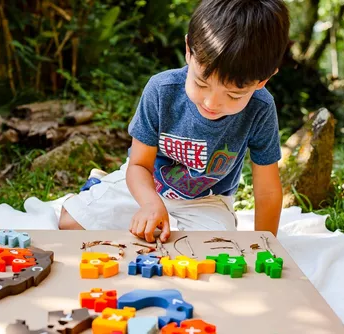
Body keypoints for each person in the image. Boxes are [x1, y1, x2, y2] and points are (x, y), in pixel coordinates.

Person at [59, 0, 290, 244]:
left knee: (218, 249)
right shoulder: (161, 90)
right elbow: (138, 165)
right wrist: (150, 203)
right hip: (148, 183)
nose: (211, 103)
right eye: (201, 84)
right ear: (189, 50)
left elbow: (267, 190)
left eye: (233, 95)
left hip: (206, 199)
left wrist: (266, 244)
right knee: (70, 224)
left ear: (263, 80)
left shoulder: (261, 108)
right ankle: (98, 184)